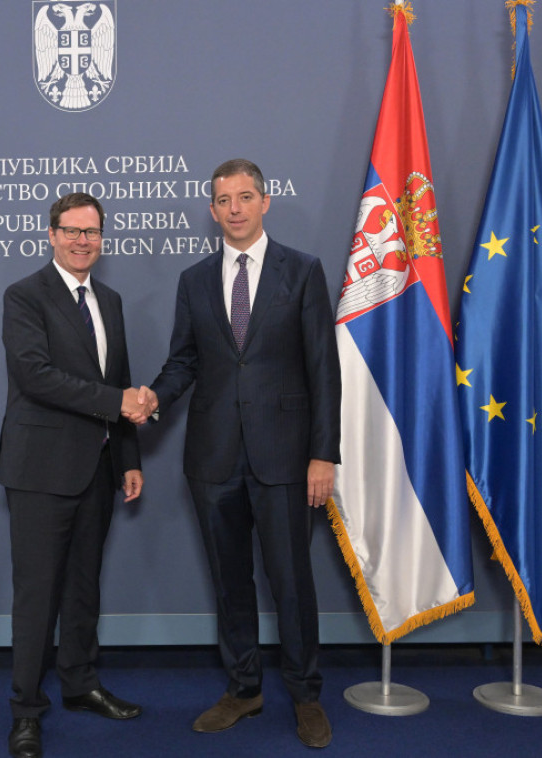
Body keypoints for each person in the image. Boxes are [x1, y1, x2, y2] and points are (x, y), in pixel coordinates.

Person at [143, 159, 341, 748]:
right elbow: (184, 361)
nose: (235, 208)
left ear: (265, 202)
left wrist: (323, 454)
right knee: (230, 584)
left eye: (245, 197)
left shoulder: (302, 271)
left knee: (291, 583)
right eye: (224, 200)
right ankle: (244, 689)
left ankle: (305, 695)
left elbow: (323, 369)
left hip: (286, 460)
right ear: (212, 210)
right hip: (213, 458)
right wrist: (153, 398)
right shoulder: (194, 280)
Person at [0, 192, 154, 758]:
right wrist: (118, 402)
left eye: (92, 232)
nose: (82, 241)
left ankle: (81, 683)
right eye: (72, 231)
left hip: (98, 469)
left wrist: (128, 458)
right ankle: (25, 710)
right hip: (40, 471)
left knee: (85, 587)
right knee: (38, 596)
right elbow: (35, 376)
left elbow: (120, 377)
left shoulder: (109, 300)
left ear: (102, 238)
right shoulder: (24, 295)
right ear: (52, 234)